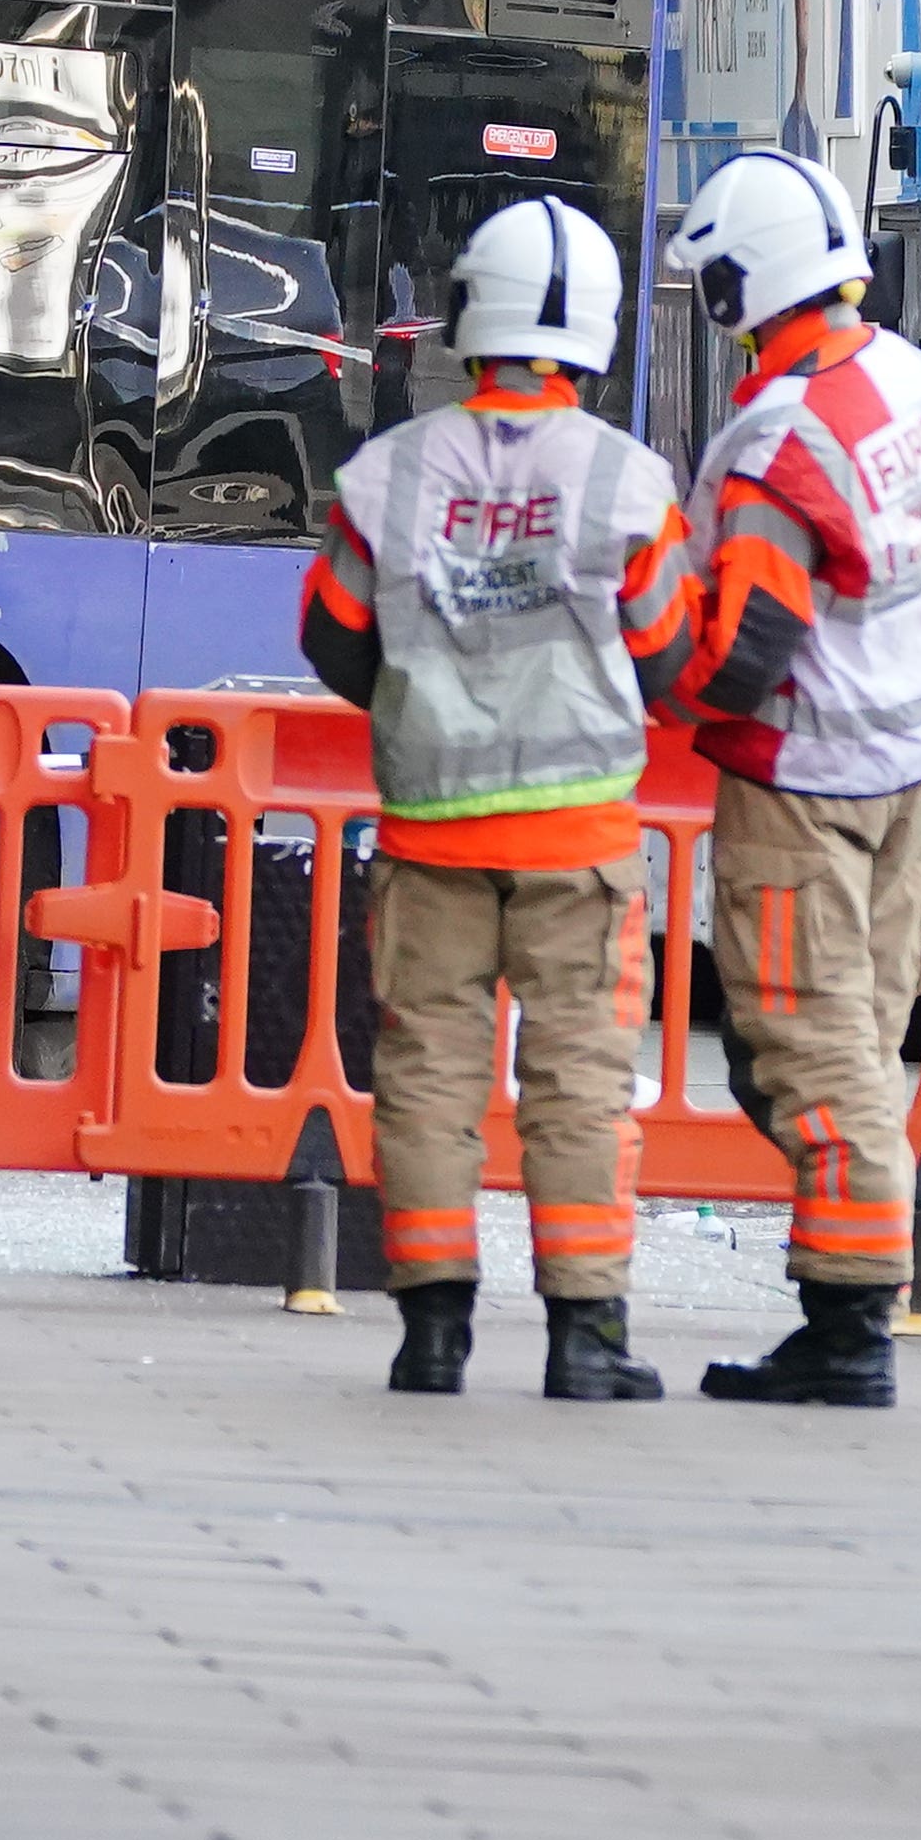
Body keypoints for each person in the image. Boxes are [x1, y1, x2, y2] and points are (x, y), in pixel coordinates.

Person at [303, 198, 700, 1401]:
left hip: (429, 834)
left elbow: (333, 640)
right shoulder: (628, 482)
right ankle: (587, 1342)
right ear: (595, 333)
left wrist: (428, 701)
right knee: (578, 1078)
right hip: (579, 842)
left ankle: (431, 1335)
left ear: (468, 319)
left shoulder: (388, 473)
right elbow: (672, 655)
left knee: (426, 1071)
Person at [662, 147, 921, 1410]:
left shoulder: (778, 437)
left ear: (744, 283)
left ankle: (853, 1319)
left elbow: (742, 647)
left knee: (798, 1041)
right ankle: (844, 1299)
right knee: (860, 1031)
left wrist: (637, 673)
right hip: (917, 760)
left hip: (806, 777)